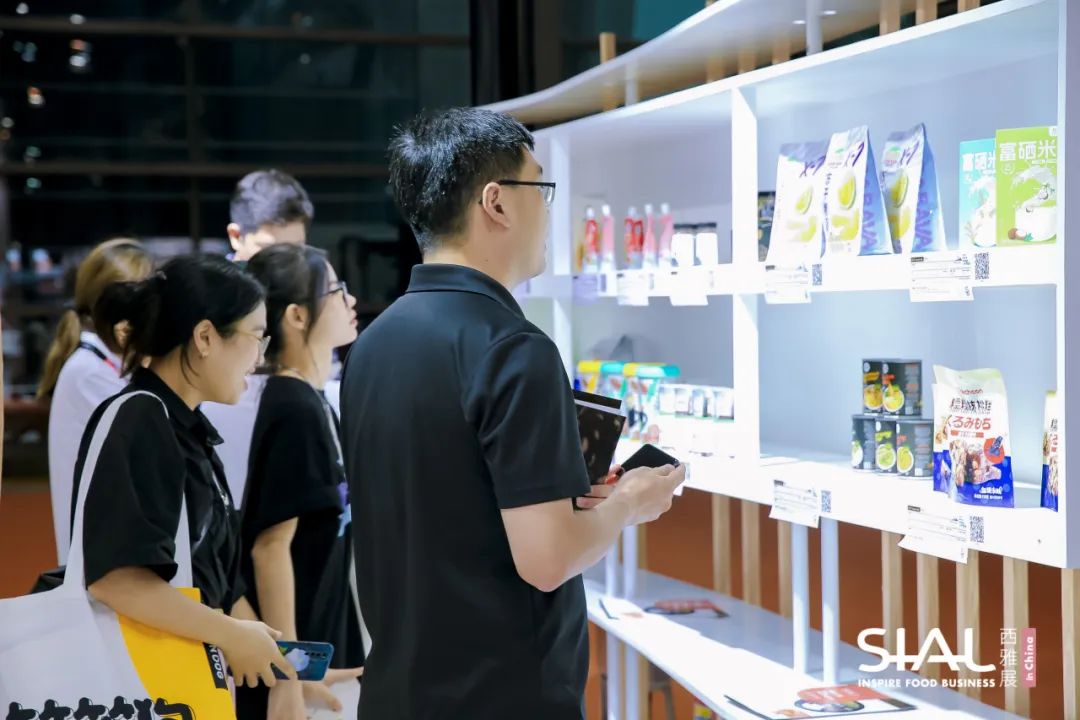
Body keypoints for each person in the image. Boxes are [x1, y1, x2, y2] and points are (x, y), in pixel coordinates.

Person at [340, 107, 685, 719]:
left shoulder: (374, 342)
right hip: (501, 697)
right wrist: (630, 503)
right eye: (541, 188)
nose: (548, 210)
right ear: (496, 202)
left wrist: (571, 492)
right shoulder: (512, 348)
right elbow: (548, 560)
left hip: (399, 692)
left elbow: (446, 502)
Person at [75, 254, 297, 689]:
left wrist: (286, 668)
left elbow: (214, 581)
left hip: (183, 683)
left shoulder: (185, 428)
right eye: (256, 337)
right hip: (144, 685)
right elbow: (117, 580)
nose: (259, 357)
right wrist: (231, 633)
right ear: (205, 337)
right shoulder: (142, 418)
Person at [237, 244, 364, 719]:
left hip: (319, 649)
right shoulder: (294, 408)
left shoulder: (312, 400)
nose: (351, 300)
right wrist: (289, 676)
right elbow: (270, 548)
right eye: (336, 290)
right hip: (293, 665)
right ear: (296, 315)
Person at [40, 237, 153, 564]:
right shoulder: (89, 373)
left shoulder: (100, 365)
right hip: (104, 564)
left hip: (112, 558)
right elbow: (150, 448)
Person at [203, 169, 314, 503]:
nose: (285, 264)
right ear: (236, 236)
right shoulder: (205, 298)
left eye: (296, 250)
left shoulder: (308, 290)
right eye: (269, 249)